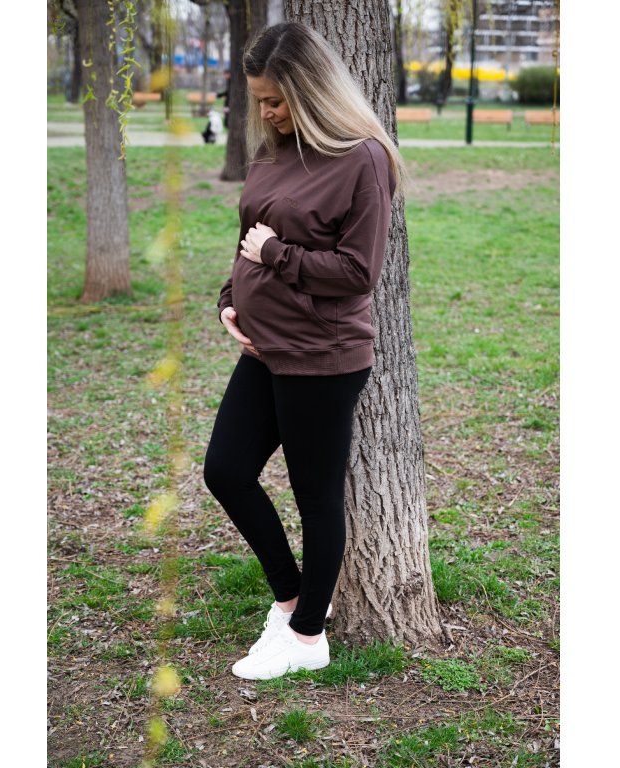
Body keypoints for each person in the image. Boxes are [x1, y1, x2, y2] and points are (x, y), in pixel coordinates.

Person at [202, 22, 408, 681]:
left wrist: (276, 256)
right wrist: (230, 299)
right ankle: (291, 599)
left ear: (311, 91)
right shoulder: (273, 151)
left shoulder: (363, 160)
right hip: (264, 348)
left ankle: (309, 636)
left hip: (321, 355)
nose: (265, 112)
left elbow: (358, 272)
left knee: (315, 498)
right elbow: (247, 237)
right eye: (259, 100)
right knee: (225, 471)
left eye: (275, 100)